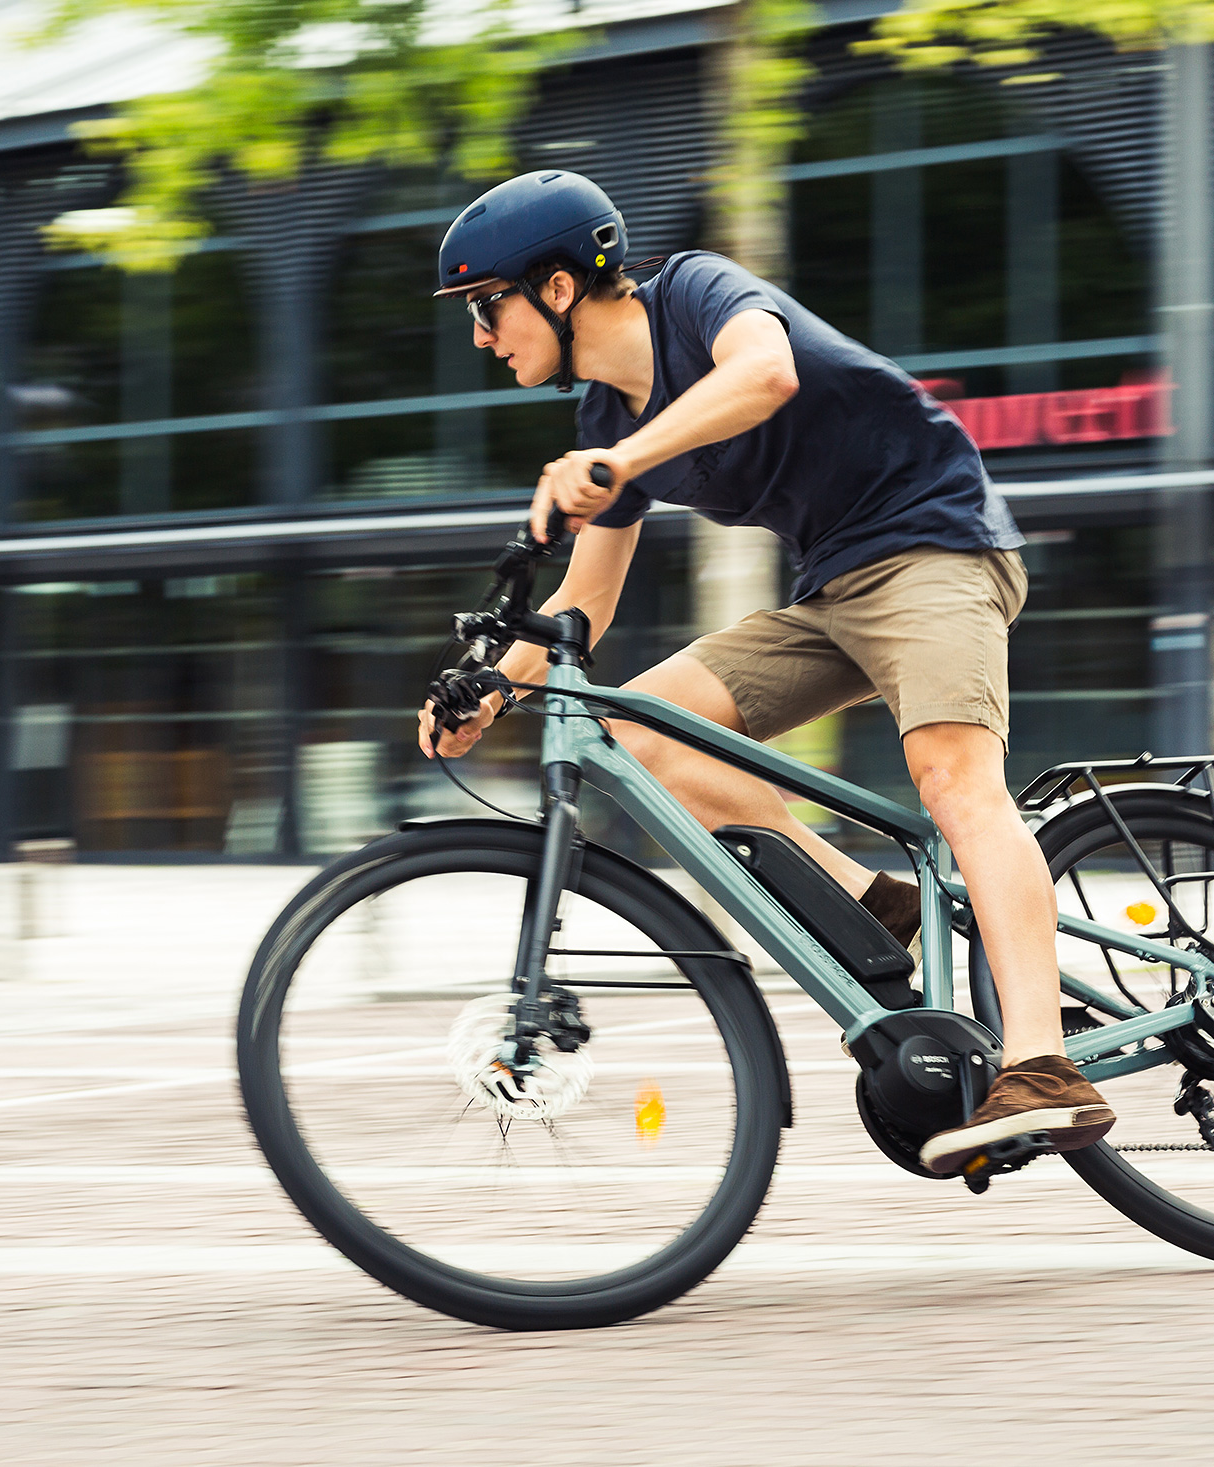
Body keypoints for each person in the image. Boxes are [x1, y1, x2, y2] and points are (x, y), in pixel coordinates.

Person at [415, 170, 1112, 1173]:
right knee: (638, 728)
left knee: (954, 780)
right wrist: (491, 687)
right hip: (833, 590)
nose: (481, 336)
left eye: (488, 306)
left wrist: (619, 465)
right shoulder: (605, 422)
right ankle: (879, 903)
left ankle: (1043, 1067)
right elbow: (589, 603)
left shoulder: (695, 294)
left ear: (558, 287)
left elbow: (765, 377)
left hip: (937, 548)